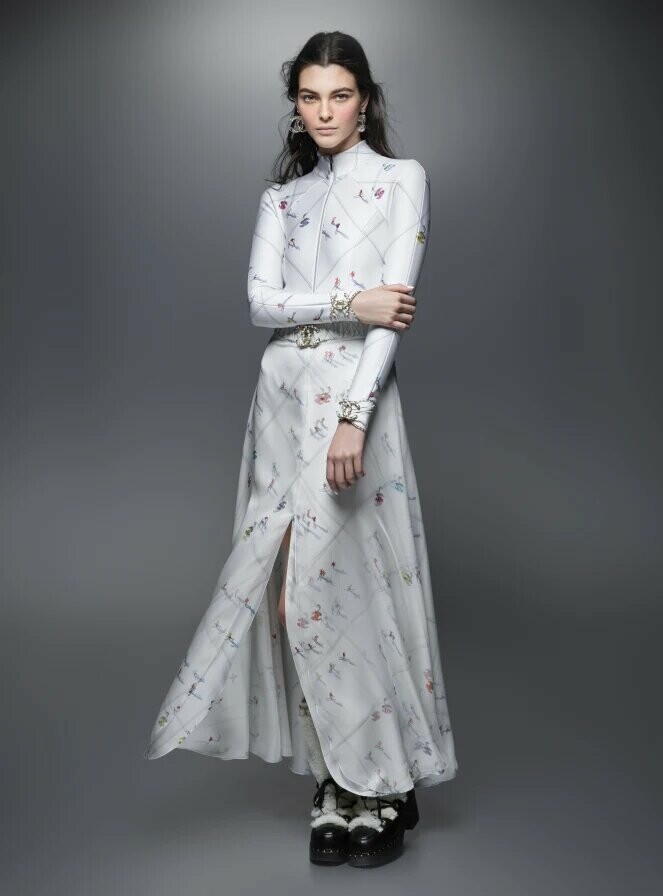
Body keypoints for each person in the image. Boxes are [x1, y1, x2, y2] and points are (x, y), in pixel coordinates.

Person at [144, 31, 458, 868]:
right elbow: (260, 304)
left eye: (340, 96)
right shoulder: (282, 199)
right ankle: (335, 777)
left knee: (353, 590)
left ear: (366, 101)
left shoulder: (402, 179)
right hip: (281, 406)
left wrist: (355, 413)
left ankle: (381, 784)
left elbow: (394, 313)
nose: (325, 112)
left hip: (353, 402)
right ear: (296, 104)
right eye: (311, 97)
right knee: (296, 601)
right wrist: (352, 298)